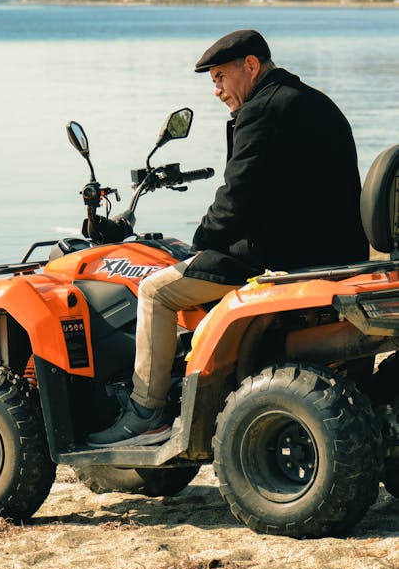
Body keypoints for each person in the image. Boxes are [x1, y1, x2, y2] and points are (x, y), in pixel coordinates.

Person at [87, 28, 369, 448]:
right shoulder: (317, 102)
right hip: (337, 250)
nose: (217, 90)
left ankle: (146, 413)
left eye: (220, 77)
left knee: (155, 291)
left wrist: (201, 238)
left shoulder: (262, 110)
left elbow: (237, 198)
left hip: (277, 256)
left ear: (251, 65)